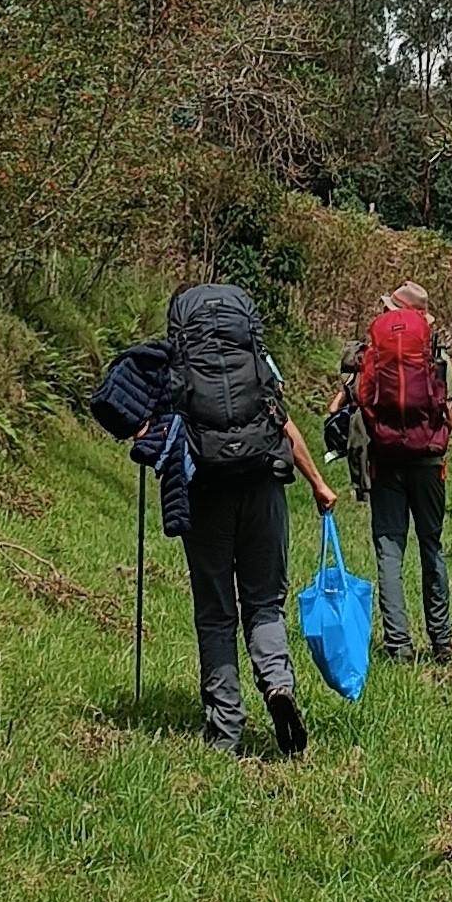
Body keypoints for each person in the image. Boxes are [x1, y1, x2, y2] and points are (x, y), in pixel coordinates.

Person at [163, 278, 337, 756]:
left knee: (216, 613)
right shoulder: (254, 360)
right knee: (264, 603)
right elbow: (281, 420)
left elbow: (153, 426)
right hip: (262, 485)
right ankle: (278, 686)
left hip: (205, 492)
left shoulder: (179, 361)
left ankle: (225, 729)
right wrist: (318, 483)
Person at [336, 282, 452, 664]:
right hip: (428, 463)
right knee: (431, 547)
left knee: (389, 551)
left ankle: (398, 646)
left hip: (386, 460)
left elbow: (353, 401)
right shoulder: (435, 356)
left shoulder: (375, 354)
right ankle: (442, 642)